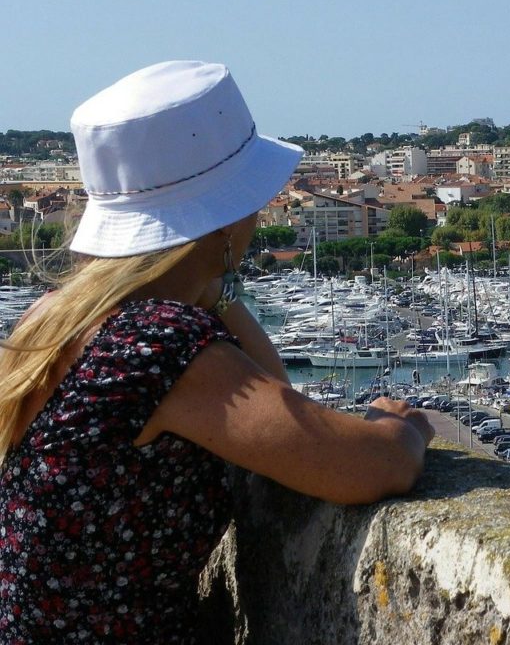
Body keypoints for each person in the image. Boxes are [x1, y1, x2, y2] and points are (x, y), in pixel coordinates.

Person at [0, 61, 434, 643]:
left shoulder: (53, 315)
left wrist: (211, 281)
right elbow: (369, 467)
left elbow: (274, 395)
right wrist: (399, 426)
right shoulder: (156, 346)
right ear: (229, 218)